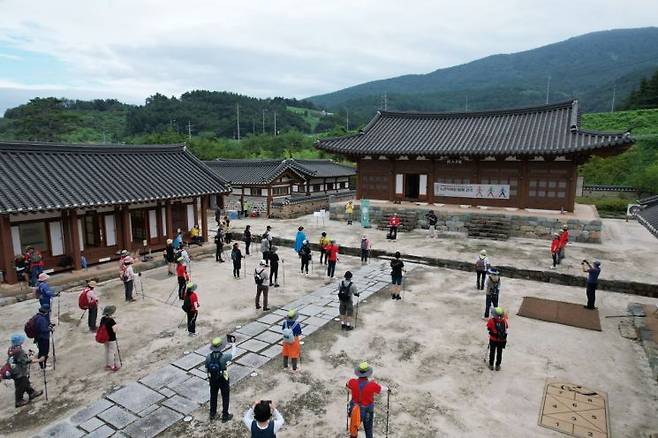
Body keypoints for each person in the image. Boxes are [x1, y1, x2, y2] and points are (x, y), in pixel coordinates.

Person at [346, 362, 388, 438]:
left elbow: (347, 385)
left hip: (355, 409)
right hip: (367, 411)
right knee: (368, 430)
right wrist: (388, 389)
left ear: (358, 373)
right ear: (368, 373)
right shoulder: (372, 385)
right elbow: (381, 389)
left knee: (354, 430)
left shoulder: (352, 382)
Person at [7, 333, 44, 407]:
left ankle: (32, 393)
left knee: (25, 382)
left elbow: (18, 358)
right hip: (19, 372)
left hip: (14, 370)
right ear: (19, 341)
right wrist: (39, 360)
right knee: (20, 386)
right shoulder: (19, 351)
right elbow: (25, 361)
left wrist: (27, 355)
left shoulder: (12, 348)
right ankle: (18, 401)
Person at [206, 336, 237, 422]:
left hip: (212, 379)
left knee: (213, 396)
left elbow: (206, 369)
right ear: (221, 347)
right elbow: (233, 354)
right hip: (223, 379)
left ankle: (212, 414)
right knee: (225, 397)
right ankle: (225, 416)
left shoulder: (208, 357)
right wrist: (233, 344)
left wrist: (209, 378)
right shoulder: (224, 357)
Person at [100, 306, 120, 371]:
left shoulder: (102, 319)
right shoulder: (111, 321)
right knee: (111, 352)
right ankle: (112, 366)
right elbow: (115, 330)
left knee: (106, 351)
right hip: (111, 338)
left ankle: (107, 364)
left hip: (105, 338)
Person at [33, 304, 51, 370]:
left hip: (38, 337)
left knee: (41, 351)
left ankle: (43, 364)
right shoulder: (42, 319)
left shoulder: (37, 316)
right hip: (43, 338)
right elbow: (43, 329)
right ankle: (43, 366)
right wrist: (50, 329)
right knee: (44, 352)